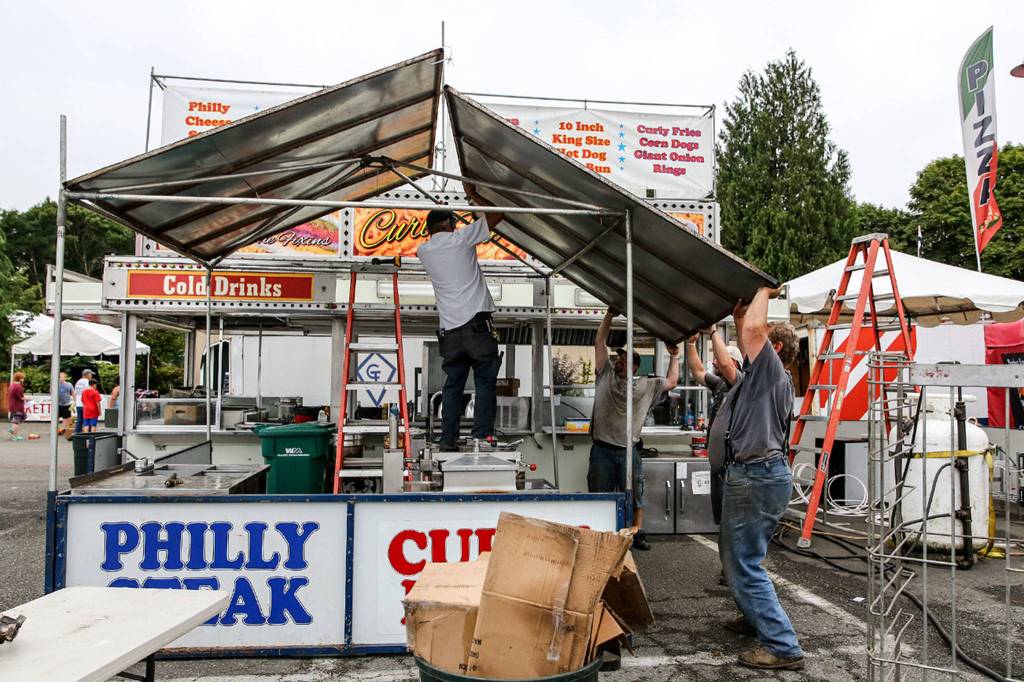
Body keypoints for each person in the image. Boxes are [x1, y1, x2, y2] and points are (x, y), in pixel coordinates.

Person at [708, 286, 803, 670]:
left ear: (772, 349)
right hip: (755, 475)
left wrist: (762, 291)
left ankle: (781, 645)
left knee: (743, 563)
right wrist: (733, 319)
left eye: (759, 338)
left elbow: (754, 332)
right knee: (744, 557)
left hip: (755, 475)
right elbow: (742, 342)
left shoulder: (770, 370)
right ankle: (754, 618)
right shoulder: (757, 377)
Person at [417, 184, 504, 451]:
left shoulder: (424, 252)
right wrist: (475, 196)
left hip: (450, 333)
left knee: (453, 386)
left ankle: (447, 440)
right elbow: (498, 215)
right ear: (447, 222)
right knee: (485, 381)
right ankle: (481, 436)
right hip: (477, 327)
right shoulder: (461, 239)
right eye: (453, 221)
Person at [589, 308, 680, 551]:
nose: (618, 361)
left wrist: (674, 356)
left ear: (635, 366)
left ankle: (636, 533)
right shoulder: (605, 374)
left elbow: (672, 382)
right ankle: (601, 535)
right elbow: (599, 342)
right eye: (618, 357)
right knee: (600, 495)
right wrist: (609, 315)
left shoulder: (646, 386)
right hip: (602, 449)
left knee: (635, 496)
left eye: (624, 359)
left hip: (629, 451)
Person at [685, 327, 744, 583]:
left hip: (733, 466)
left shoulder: (737, 383)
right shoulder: (720, 383)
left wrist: (713, 334)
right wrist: (689, 345)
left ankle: (735, 571)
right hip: (720, 465)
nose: (714, 364)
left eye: (720, 361)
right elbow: (698, 372)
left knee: (733, 523)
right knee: (723, 521)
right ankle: (728, 568)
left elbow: (723, 363)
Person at [7, 371, 26, 441]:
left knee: (15, 421)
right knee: (16, 422)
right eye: (23, 378)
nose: (23, 379)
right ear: (20, 378)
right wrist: (28, 398)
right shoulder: (18, 387)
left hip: (13, 406)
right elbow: (20, 397)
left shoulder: (12, 385)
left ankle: (13, 432)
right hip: (17, 406)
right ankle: (14, 436)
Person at [73, 369, 93, 434]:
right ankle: (88, 434)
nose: (91, 376)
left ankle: (77, 433)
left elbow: (75, 393)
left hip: (78, 404)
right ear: (87, 375)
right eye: (90, 374)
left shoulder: (78, 382)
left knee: (79, 420)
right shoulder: (87, 382)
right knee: (87, 420)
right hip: (85, 404)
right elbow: (89, 393)